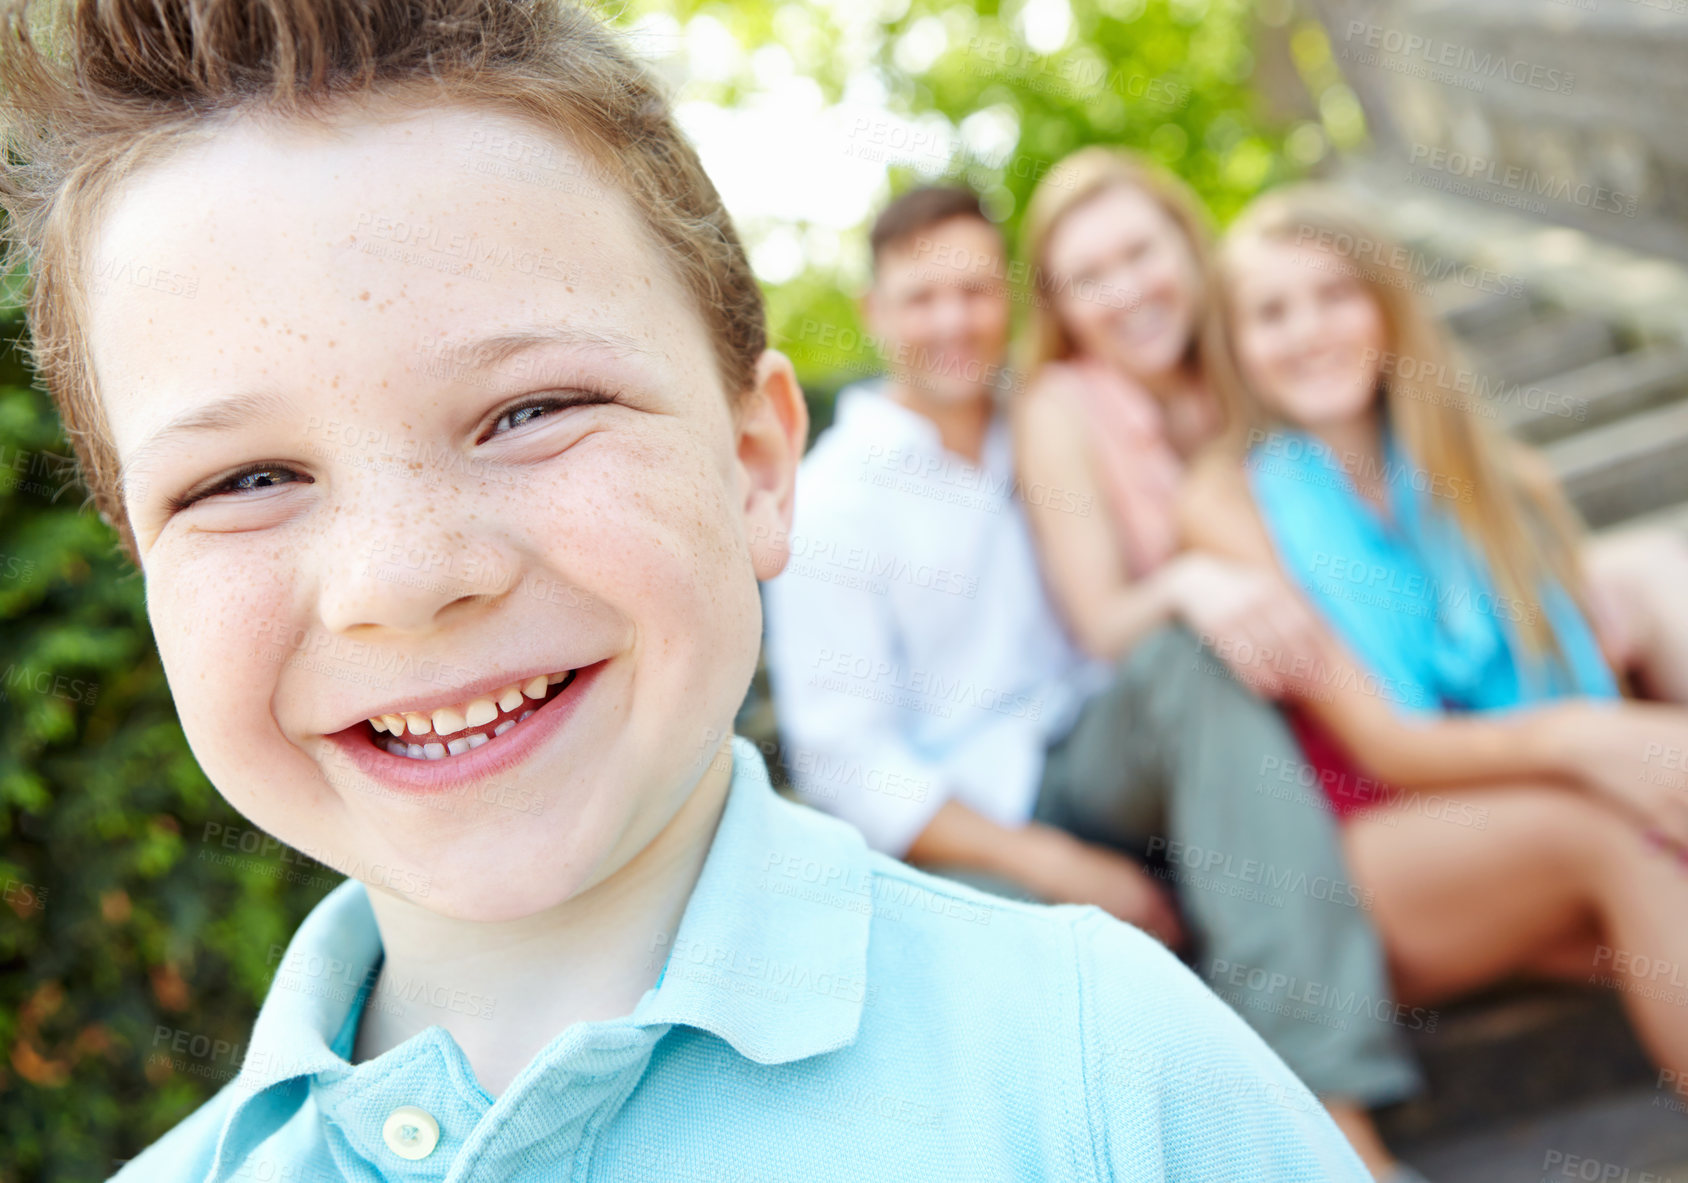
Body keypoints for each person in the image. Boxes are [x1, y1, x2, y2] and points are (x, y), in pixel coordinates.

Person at [0, 0, 1374, 1176]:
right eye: (241, 479)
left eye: (532, 407)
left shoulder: (1110, 1070)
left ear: (763, 462)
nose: (404, 580)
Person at [762, 184, 1422, 1180]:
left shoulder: (1043, 430)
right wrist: (1054, 866)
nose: (953, 321)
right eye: (921, 297)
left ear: (1010, 302)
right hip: (966, 832)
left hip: (1096, 755)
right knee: (1031, 963)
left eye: (975, 292)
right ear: (875, 313)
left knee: (1189, 654)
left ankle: (1333, 1111)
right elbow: (846, 765)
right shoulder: (836, 501)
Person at [1182, 182, 1688, 1083]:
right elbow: (1390, 744)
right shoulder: (1230, 497)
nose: (1309, 331)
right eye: (1271, 313)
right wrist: (1595, 738)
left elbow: (1575, 656)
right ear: (1236, 348)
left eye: (1336, 294)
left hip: (1536, 798)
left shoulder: (1497, 475)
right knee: (1624, 824)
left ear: (1386, 307)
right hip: (1385, 850)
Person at [1011, 150, 1425, 1179]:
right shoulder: (1059, 408)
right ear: (1059, 306)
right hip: (1116, 750)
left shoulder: (1253, 364)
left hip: (1275, 746)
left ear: (1185, 247)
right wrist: (1193, 584)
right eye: (1085, 278)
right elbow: (1105, 621)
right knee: (1191, 654)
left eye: (1136, 254)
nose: (1123, 291)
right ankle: (1328, 1115)